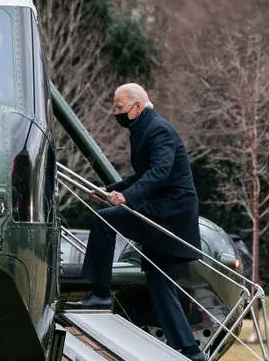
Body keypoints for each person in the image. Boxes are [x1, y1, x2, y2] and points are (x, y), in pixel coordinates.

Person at [65, 84, 204, 361]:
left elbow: (160, 172)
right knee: (158, 279)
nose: (116, 113)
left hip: (169, 211)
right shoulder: (144, 129)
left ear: (137, 107)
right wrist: (110, 191)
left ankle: (100, 293)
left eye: (120, 108)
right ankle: (190, 350)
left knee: (104, 221)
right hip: (164, 207)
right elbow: (140, 174)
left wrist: (126, 198)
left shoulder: (159, 129)